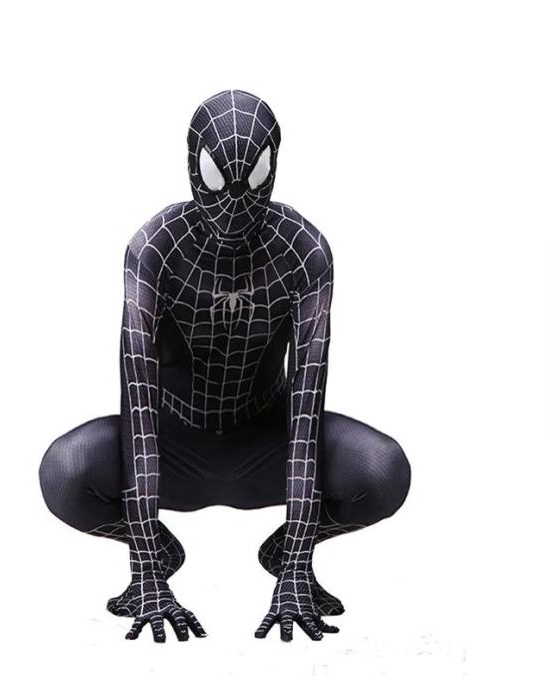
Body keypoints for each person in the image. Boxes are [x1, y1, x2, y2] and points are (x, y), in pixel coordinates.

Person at [39, 90, 411, 643]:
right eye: (218, 180)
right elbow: (137, 402)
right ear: (194, 165)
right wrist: (147, 570)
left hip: (267, 441)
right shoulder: (156, 247)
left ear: (273, 166)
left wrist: (296, 565)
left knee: (384, 470)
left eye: (253, 179)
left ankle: (281, 552)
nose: (234, 202)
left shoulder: (304, 250)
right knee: (64, 471)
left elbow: (306, 408)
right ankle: (160, 550)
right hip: (171, 442)